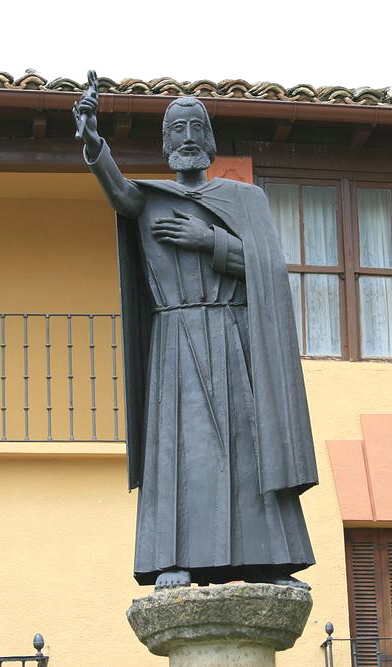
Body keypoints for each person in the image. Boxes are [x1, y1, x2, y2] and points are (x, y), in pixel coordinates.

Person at [75, 89, 317, 590]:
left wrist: (209, 242)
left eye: (195, 128)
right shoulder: (151, 200)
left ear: (209, 139)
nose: (187, 138)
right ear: (166, 144)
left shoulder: (245, 200)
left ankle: (266, 560)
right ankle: (175, 558)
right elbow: (120, 195)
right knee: (180, 452)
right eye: (176, 130)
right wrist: (95, 145)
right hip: (176, 338)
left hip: (233, 337)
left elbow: (269, 269)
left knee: (247, 448)